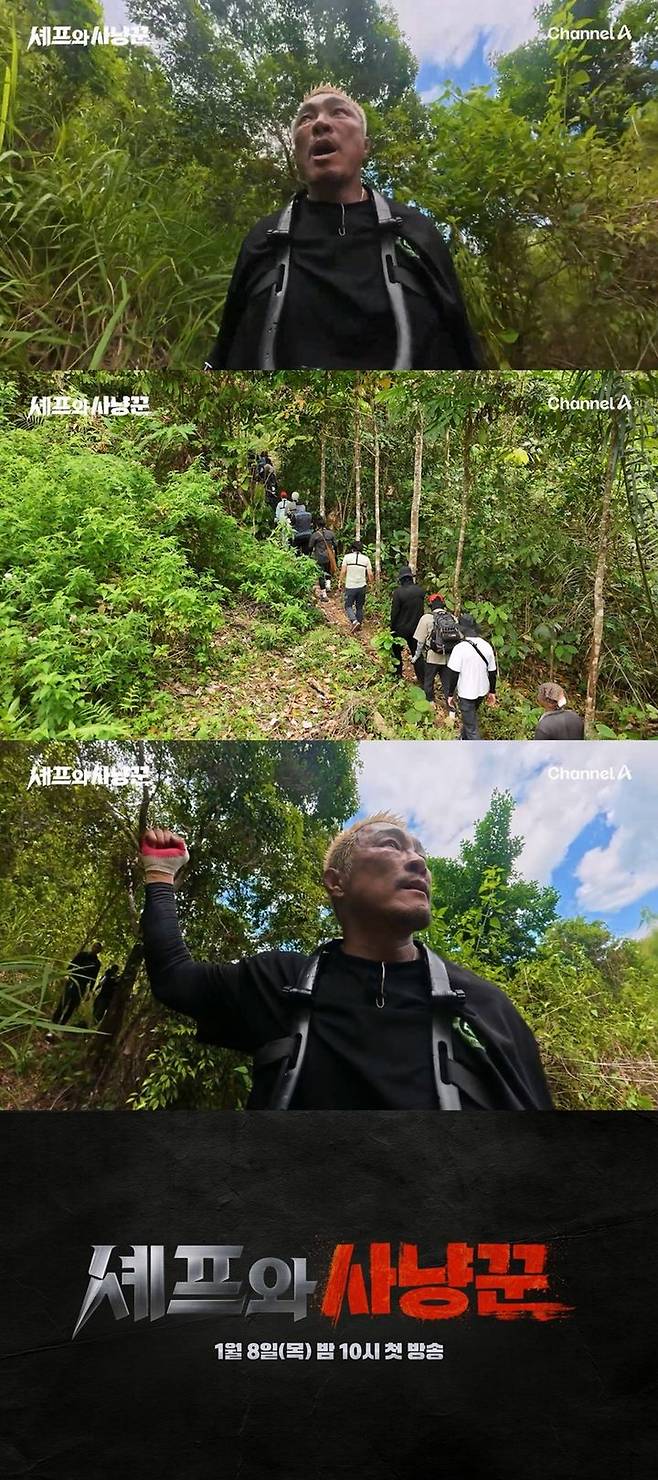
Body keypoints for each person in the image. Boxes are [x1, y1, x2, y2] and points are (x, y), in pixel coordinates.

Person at [139, 817, 553, 1110]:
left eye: (420, 853)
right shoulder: (283, 984)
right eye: (391, 845)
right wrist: (160, 874)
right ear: (336, 882)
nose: (419, 862)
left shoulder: (484, 1007)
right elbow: (175, 979)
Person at [204, 85, 483, 371]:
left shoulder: (415, 234)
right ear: (297, 150)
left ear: (365, 146)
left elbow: (463, 347)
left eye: (339, 112)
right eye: (306, 118)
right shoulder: (264, 240)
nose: (320, 123)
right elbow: (225, 350)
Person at [446, 615, 498, 740]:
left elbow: (453, 674)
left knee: (472, 729)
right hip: (482, 691)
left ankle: (476, 749)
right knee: (469, 719)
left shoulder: (459, 648)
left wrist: (450, 694)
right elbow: (492, 671)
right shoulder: (486, 646)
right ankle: (462, 739)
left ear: (461, 630)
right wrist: (492, 691)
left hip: (466, 693)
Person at [412, 593, 461, 707]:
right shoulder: (452, 618)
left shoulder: (426, 618)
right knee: (447, 683)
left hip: (433, 656)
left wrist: (416, 656)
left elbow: (420, 642)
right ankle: (451, 708)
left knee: (428, 680)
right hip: (448, 657)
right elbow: (459, 637)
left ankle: (430, 702)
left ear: (430, 605)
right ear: (443, 604)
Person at [52, 943, 103, 1026]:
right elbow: (72, 964)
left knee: (72, 1006)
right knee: (64, 1001)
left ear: (99, 951)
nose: (95, 949)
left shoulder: (97, 963)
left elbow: (93, 977)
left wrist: (90, 991)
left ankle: (62, 1024)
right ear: (92, 947)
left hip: (82, 986)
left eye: (97, 948)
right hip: (73, 980)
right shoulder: (82, 955)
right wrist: (65, 974)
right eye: (95, 947)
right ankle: (54, 1020)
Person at [390, 566, 426, 682]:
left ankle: (397, 675)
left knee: (396, 651)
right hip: (416, 628)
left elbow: (394, 612)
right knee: (417, 653)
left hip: (400, 628)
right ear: (411, 578)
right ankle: (422, 680)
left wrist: (392, 628)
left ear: (401, 579)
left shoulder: (398, 593)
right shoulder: (420, 591)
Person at [338, 540, 373, 630]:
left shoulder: (347, 557)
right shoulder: (366, 559)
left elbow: (343, 571)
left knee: (348, 605)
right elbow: (370, 574)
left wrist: (340, 581)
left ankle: (354, 621)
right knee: (359, 607)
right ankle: (359, 625)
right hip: (362, 586)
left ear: (352, 549)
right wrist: (371, 584)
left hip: (350, 585)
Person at [308, 519, 338, 599]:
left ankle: (324, 594)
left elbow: (310, 546)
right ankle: (328, 585)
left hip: (319, 557)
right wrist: (335, 555)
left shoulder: (315, 535)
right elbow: (335, 545)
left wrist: (310, 555)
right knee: (328, 571)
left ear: (317, 525)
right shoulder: (331, 533)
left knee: (321, 574)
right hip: (329, 556)